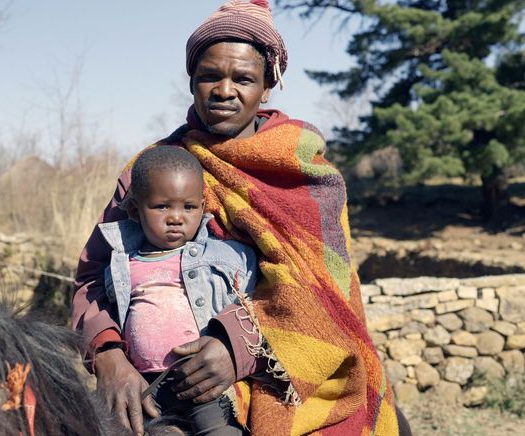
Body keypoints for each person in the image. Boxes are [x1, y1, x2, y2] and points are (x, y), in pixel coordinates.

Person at [74, 1, 407, 435]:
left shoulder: (306, 176)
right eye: (210, 75)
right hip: (161, 384)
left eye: (243, 79)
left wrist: (238, 345)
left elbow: (324, 294)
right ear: (192, 81)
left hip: (287, 371)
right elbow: (94, 275)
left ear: (268, 87)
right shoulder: (153, 171)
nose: (224, 90)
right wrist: (110, 360)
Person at [97, 145, 257, 435]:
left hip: (200, 377)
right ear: (135, 210)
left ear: (202, 207)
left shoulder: (220, 255)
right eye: (162, 206)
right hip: (146, 383)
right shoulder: (122, 266)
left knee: (220, 432)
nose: (176, 217)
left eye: (189, 207)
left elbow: (253, 302)